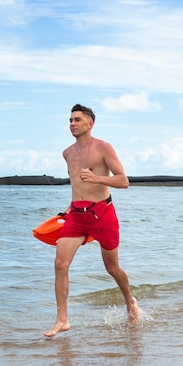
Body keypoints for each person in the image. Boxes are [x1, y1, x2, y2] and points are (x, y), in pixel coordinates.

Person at [43, 104, 140, 338]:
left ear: (90, 123)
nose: (72, 124)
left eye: (77, 120)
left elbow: (123, 181)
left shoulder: (103, 148)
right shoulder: (67, 153)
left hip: (103, 215)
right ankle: (62, 320)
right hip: (76, 215)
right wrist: (68, 210)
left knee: (112, 268)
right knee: (60, 264)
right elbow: (77, 186)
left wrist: (97, 177)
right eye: (70, 120)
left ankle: (129, 300)